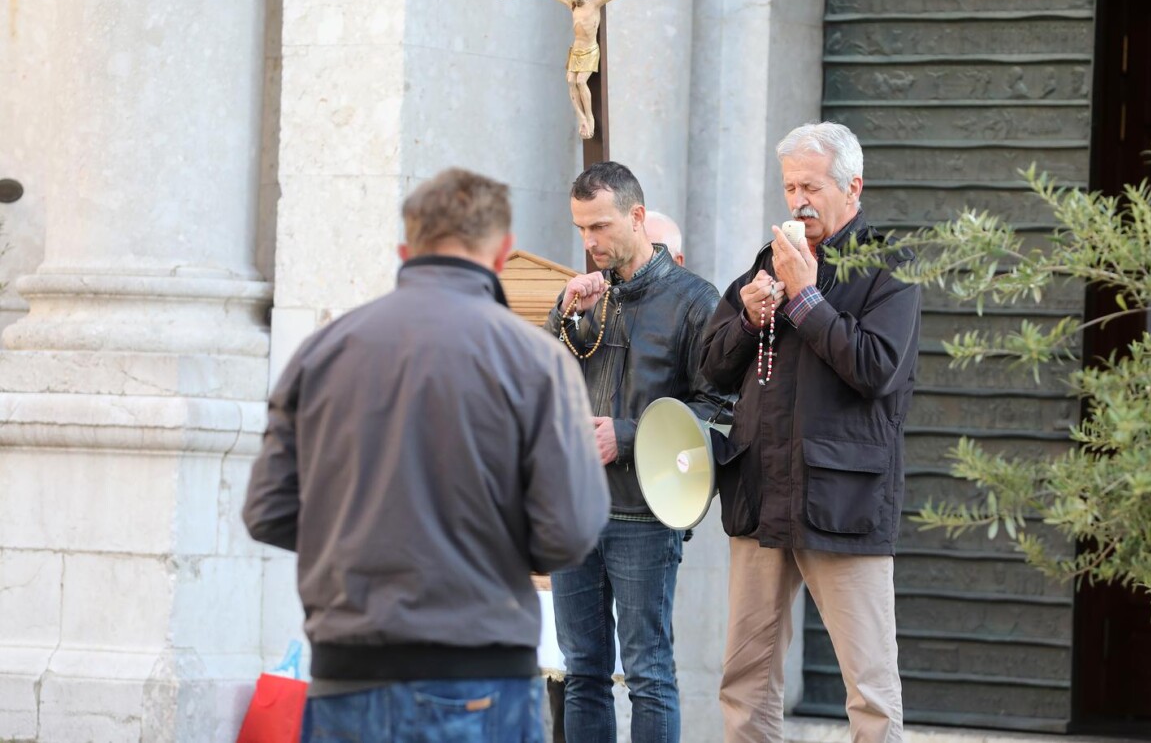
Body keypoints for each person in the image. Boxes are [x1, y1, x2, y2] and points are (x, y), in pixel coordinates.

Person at [243, 168, 610, 743]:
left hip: (347, 672)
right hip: (479, 670)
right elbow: (570, 531)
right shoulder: (534, 361)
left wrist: (355, 541)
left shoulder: (323, 352)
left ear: (405, 251)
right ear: (503, 252)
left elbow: (268, 511)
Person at [700, 122, 921, 743]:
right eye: (789, 187)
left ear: (852, 187)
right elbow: (711, 367)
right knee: (744, 681)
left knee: (870, 690)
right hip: (760, 491)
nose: (797, 201)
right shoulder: (767, 260)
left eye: (811, 187)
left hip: (842, 499)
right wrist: (748, 318)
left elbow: (876, 368)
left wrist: (803, 299)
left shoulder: (888, 265)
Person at [544, 162, 730, 743]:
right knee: (582, 673)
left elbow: (716, 409)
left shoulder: (695, 301)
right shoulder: (587, 297)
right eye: (581, 228)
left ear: (637, 216)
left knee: (648, 674)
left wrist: (626, 436)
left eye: (600, 225)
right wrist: (561, 316)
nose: (589, 241)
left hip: (645, 513)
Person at [525, 0, 647, 139]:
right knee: (570, 81)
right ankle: (580, 117)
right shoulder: (572, 5)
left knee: (581, 81)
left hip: (589, 49)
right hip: (576, 49)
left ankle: (589, 118)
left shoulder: (595, 3)